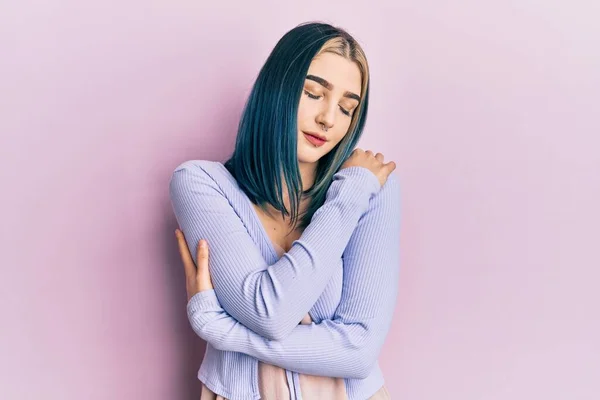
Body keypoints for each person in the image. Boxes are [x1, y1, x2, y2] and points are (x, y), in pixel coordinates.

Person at [170, 21, 400, 400]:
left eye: (346, 108)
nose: (329, 118)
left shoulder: (370, 190)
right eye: (313, 93)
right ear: (276, 90)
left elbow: (359, 352)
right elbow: (269, 313)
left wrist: (222, 329)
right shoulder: (200, 183)